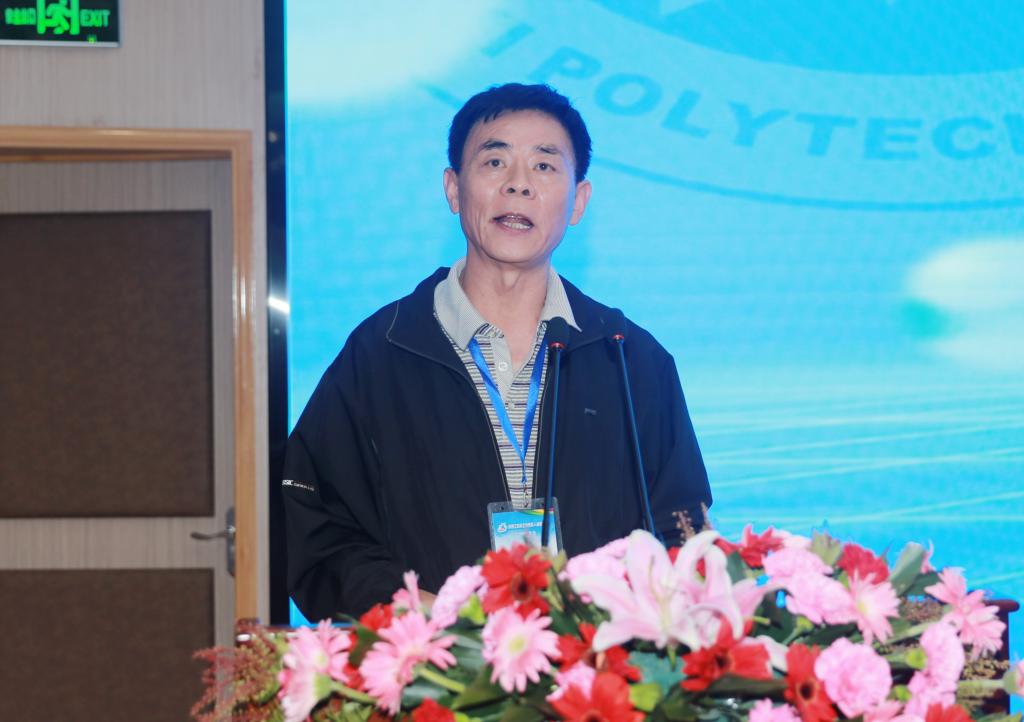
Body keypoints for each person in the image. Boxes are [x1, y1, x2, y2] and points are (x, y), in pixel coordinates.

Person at [282, 83, 711, 621]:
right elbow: (316, 530)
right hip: (435, 665)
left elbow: (683, 533)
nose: (518, 185)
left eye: (544, 166)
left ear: (578, 202)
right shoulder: (381, 352)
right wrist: (430, 616)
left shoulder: (629, 358)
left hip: (596, 665)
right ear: (453, 189)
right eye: (494, 162)